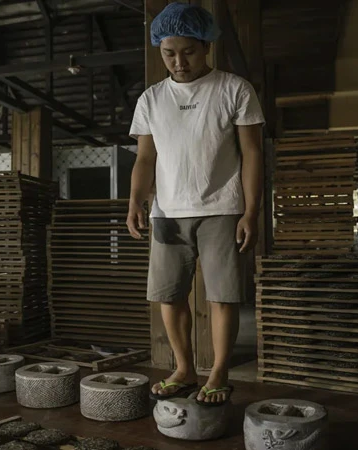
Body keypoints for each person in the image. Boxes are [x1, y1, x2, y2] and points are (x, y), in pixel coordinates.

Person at [126, 3, 265, 406]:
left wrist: (251, 212)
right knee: (169, 295)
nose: (178, 61)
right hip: (167, 212)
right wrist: (136, 200)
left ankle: (218, 371)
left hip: (222, 207)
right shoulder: (151, 99)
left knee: (221, 295)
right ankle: (184, 367)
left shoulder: (234, 89)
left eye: (187, 51)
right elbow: (145, 158)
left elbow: (252, 153)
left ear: (204, 46)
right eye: (169, 53)